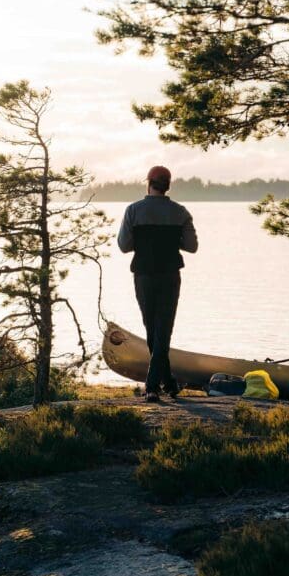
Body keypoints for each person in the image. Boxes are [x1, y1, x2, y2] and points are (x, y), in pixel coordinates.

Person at [118, 165, 198, 401]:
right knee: (162, 330)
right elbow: (192, 246)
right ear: (168, 185)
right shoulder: (180, 212)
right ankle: (169, 384)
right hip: (170, 276)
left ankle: (152, 387)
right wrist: (170, 240)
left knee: (153, 330)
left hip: (143, 275)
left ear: (148, 183)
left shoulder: (133, 210)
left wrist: (144, 242)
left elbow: (124, 246)